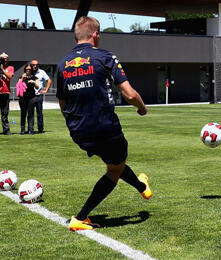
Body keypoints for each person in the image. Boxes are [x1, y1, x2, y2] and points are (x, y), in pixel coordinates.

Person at [57, 16, 151, 232]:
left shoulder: (63, 63)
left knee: (113, 162)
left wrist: (73, 124)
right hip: (104, 125)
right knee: (115, 169)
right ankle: (80, 217)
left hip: (78, 130)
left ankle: (141, 186)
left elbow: (62, 102)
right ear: (95, 34)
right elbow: (128, 93)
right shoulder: (105, 57)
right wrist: (141, 108)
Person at [28, 59, 50, 133]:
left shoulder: (42, 72)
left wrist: (46, 90)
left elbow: (49, 80)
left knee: (39, 113)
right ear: (31, 65)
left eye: (36, 65)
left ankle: (40, 129)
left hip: (38, 95)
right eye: (33, 65)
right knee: (30, 113)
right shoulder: (28, 71)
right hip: (30, 96)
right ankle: (30, 129)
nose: (35, 66)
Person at [17, 66, 37, 134]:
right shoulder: (21, 77)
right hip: (23, 98)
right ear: (25, 70)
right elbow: (18, 85)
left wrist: (33, 82)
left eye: (29, 69)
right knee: (23, 114)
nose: (28, 70)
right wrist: (22, 78)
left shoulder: (34, 77)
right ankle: (22, 130)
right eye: (27, 69)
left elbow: (37, 87)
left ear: (31, 70)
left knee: (31, 114)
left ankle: (30, 129)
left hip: (31, 98)